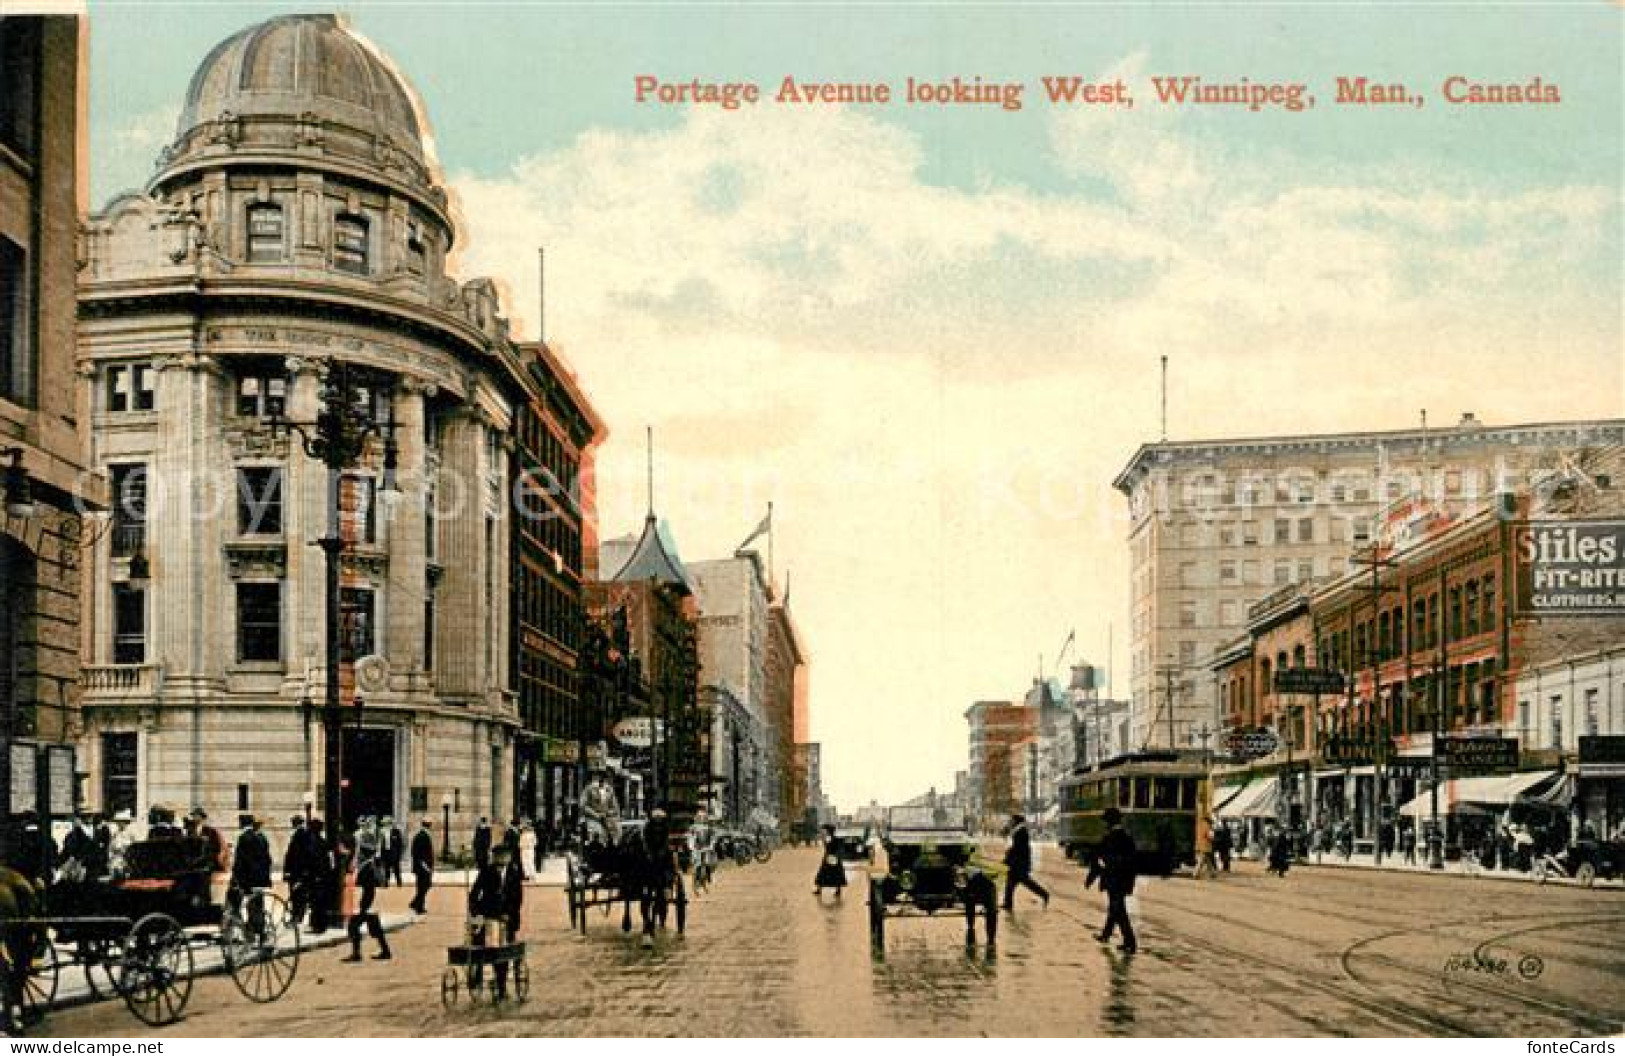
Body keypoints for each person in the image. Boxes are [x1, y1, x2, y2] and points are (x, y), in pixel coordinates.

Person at [1086, 806, 1138, 954]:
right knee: (1115, 908)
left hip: (1114, 880)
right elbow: (1132, 862)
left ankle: (1130, 942)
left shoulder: (1110, 838)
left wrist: (1092, 877)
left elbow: (1099, 858)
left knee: (1118, 910)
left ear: (1109, 822)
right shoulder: (1126, 838)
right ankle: (1106, 935)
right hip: (1120, 880)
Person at [467, 844, 512, 996]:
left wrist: (508, 913)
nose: (501, 859)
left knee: (503, 954)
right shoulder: (486, 872)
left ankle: (501, 985)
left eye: (504, 856)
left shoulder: (514, 873)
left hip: (507, 919)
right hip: (488, 917)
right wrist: (476, 912)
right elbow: (474, 895)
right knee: (482, 949)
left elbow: (517, 898)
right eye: (498, 856)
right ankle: (476, 977)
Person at [341, 838, 391, 962]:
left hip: (366, 902)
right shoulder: (372, 864)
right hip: (370, 903)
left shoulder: (367, 867)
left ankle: (356, 953)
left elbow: (365, 886)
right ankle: (385, 950)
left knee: (353, 926)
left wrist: (362, 906)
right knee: (376, 927)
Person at [231, 815, 273, 939]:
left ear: (242, 823)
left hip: (248, 878)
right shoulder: (262, 837)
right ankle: (260, 931)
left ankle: (250, 932)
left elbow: (240, 861)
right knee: (258, 904)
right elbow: (268, 859)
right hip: (260, 879)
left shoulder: (243, 838)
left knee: (245, 905)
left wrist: (236, 878)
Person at [1001, 813, 1049, 911]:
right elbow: (1016, 847)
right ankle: (1007, 903)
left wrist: (1008, 856)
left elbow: (1018, 848)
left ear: (1016, 821)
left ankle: (1045, 894)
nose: (1010, 822)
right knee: (1010, 883)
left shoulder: (1021, 831)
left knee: (1026, 882)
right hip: (1017, 863)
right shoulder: (1019, 831)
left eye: (1011, 820)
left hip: (1019, 864)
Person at [283, 816, 313, 925]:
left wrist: (292, 871)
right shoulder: (302, 834)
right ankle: (297, 915)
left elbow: (297, 855)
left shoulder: (300, 835)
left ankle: (297, 916)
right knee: (298, 895)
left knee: (297, 895)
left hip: (297, 871)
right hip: (297, 871)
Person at [581, 771, 622, 846]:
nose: (601, 780)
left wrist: (609, 813)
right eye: (598, 778)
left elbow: (615, 806)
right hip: (592, 818)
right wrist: (596, 815)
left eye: (603, 778)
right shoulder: (589, 789)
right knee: (597, 833)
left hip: (607, 817)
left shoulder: (609, 789)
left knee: (617, 831)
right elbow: (583, 805)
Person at [409, 818, 435, 915]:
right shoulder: (421, 836)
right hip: (422, 867)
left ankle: (418, 905)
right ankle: (417, 905)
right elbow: (418, 854)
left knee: (425, 886)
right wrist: (426, 866)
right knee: (423, 886)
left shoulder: (424, 835)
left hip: (424, 866)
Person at [813, 823, 846, 897]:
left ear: (828, 831)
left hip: (829, 858)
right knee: (836, 874)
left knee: (823, 874)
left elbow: (827, 847)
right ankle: (838, 890)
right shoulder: (835, 838)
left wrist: (823, 839)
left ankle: (819, 890)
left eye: (826, 830)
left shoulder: (830, 838)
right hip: (835, 858)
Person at [383, 818, 404, 888]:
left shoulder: (396, 832)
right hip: (386, 853)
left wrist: (399, 854)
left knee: (396, 869)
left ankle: (399, 883)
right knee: (386, 869)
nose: (387, 824)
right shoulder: (383, 831)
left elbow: (400, 844)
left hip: (395, 854)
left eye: (388, 823)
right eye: (386, 823)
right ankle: (385, 883)